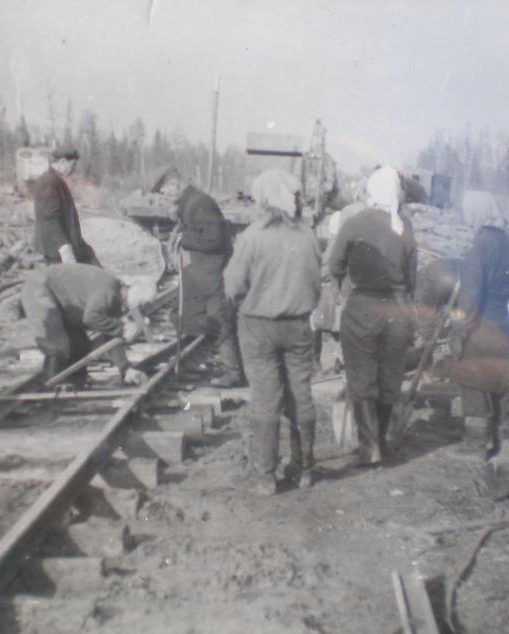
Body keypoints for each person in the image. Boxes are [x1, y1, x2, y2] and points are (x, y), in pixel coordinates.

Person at [223, 169, 323, 494]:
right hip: (298, 327)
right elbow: (316, 283)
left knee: (267, 399)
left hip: (258, 327)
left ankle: (265, 475)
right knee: (301, 394)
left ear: (264, 200)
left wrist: (249, 302)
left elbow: (233, 286)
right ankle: (304, 469)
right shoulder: (307, 236)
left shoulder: (252, 237)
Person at [328, 166, 417, 466]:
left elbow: (334, 264)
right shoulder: (404, 226)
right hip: (397, 311)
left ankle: (370, 447)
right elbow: (412, 277)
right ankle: (382, 440)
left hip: (362, 308)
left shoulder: (354, 223)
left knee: (362, 376)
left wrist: (342, 286)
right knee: (390, 377)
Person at [450, 195, 509, 458]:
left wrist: (457, 325)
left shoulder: (478, 247)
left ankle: (476, 444)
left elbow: (469, 297)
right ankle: (503, 441)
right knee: (497, 381)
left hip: (480, 326)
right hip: (502, 322)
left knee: (472, 380)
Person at [159, 169, 243, 388]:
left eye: (165, 191)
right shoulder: (191, 202)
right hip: (201, 270)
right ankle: (208, 359)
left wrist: (184, 238)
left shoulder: (199, 203)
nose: (163, 195)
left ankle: (233, 372)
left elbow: (213, 238)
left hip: (211, 271)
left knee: (218, 320)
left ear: (176, 185)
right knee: (186, 315)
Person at [21, 264, 153, 387]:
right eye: (140, 304)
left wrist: (125, 369)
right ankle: (52, 385)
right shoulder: (109, 292)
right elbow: (91, 318)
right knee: (57, 345)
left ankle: (76, 383)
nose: (136, 308)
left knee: (81, 345)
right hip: (40, 288)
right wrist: (122, 328)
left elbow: (110, 333)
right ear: (131, 293)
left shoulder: (116, 297)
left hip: (64, 302)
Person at [32, 146, 99, 266]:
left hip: (61, 246)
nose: (74, 169)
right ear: (63, 162)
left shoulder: (54, 180)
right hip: (56, 252)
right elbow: (51, 219)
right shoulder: (49, 181)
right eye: (73, 165)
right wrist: (64, 248)